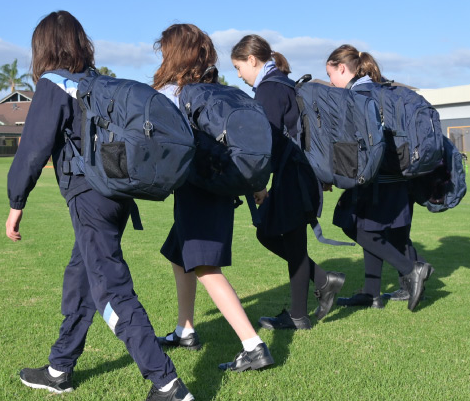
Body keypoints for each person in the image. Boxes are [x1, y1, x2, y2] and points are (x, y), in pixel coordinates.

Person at [6, 11, 194, 401]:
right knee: (81, 277)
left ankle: (167, 383)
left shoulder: (53, 84)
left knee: (110, 289)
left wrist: (15, 203)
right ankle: (60, 368)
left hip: (89, 198)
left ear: (43, 47)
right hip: (115, 196)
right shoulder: (94, 82)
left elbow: (33, 149)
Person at [152, 24, 274, 373]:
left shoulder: (176, 93)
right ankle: (185, 329)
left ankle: (253, 345)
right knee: (179, 254)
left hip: (198, 189)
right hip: (220, 186)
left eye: (165, 50)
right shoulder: (218, 89)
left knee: (205, 266)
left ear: (175, 53)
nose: (161, 55)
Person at [230, 35, 346, 330]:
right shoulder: (283, 82)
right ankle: (322, 281)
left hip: (293, 176)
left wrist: (258, 182)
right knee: (273, 235)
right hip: (299, 174)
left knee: (287, 241)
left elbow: (263, 143)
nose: (239, 75)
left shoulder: (269, 89)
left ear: (252, 60)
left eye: (238, 67)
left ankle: (299, 315)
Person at [325, 44, 433, 312]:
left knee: (353, 224)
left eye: (331, 75)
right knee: (376, 230)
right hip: (400, 176)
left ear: (342, 68)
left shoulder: (357, 95)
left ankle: (411, 270)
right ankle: (371, 293)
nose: (330, 82)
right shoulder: (384, 90)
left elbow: (353, 143)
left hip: (376, 178)